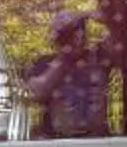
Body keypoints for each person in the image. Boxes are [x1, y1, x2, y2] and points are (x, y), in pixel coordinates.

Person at [23, 9, 110, 140]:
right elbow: (36, 93)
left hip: (97, 140)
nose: (78, 37)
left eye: (81, 30)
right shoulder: (45, 63)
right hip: (58, 141)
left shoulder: (98, 58)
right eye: (70, 34)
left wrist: (90, 15)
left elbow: (120, 37)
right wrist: (64, 58)